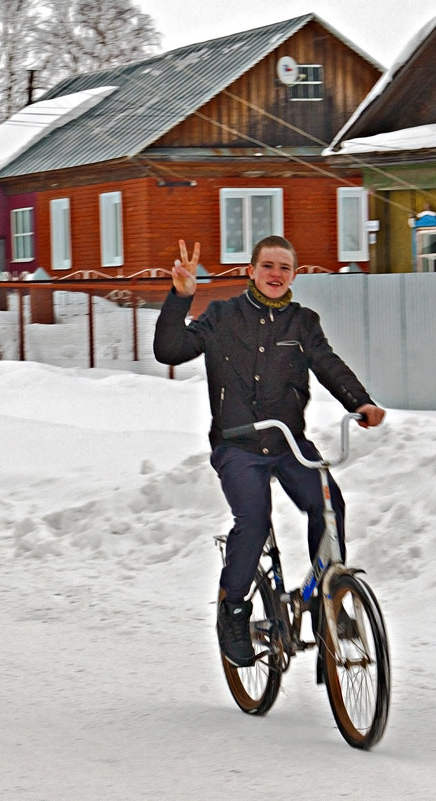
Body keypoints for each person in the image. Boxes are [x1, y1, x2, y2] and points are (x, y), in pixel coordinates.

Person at [153, 236, 385, 668]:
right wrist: (181, 297)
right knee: (254, 521)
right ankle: (234, 611)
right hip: (237, 445)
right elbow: (170, 350)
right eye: (267, 266)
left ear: (294, 274)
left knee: (329, 506)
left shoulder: (303, 323)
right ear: (252, 271)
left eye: (284, 267)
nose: (276, 274)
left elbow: (329, 364)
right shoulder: (222, 316)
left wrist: (361, 402)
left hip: (289, 444)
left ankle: (326, 606)